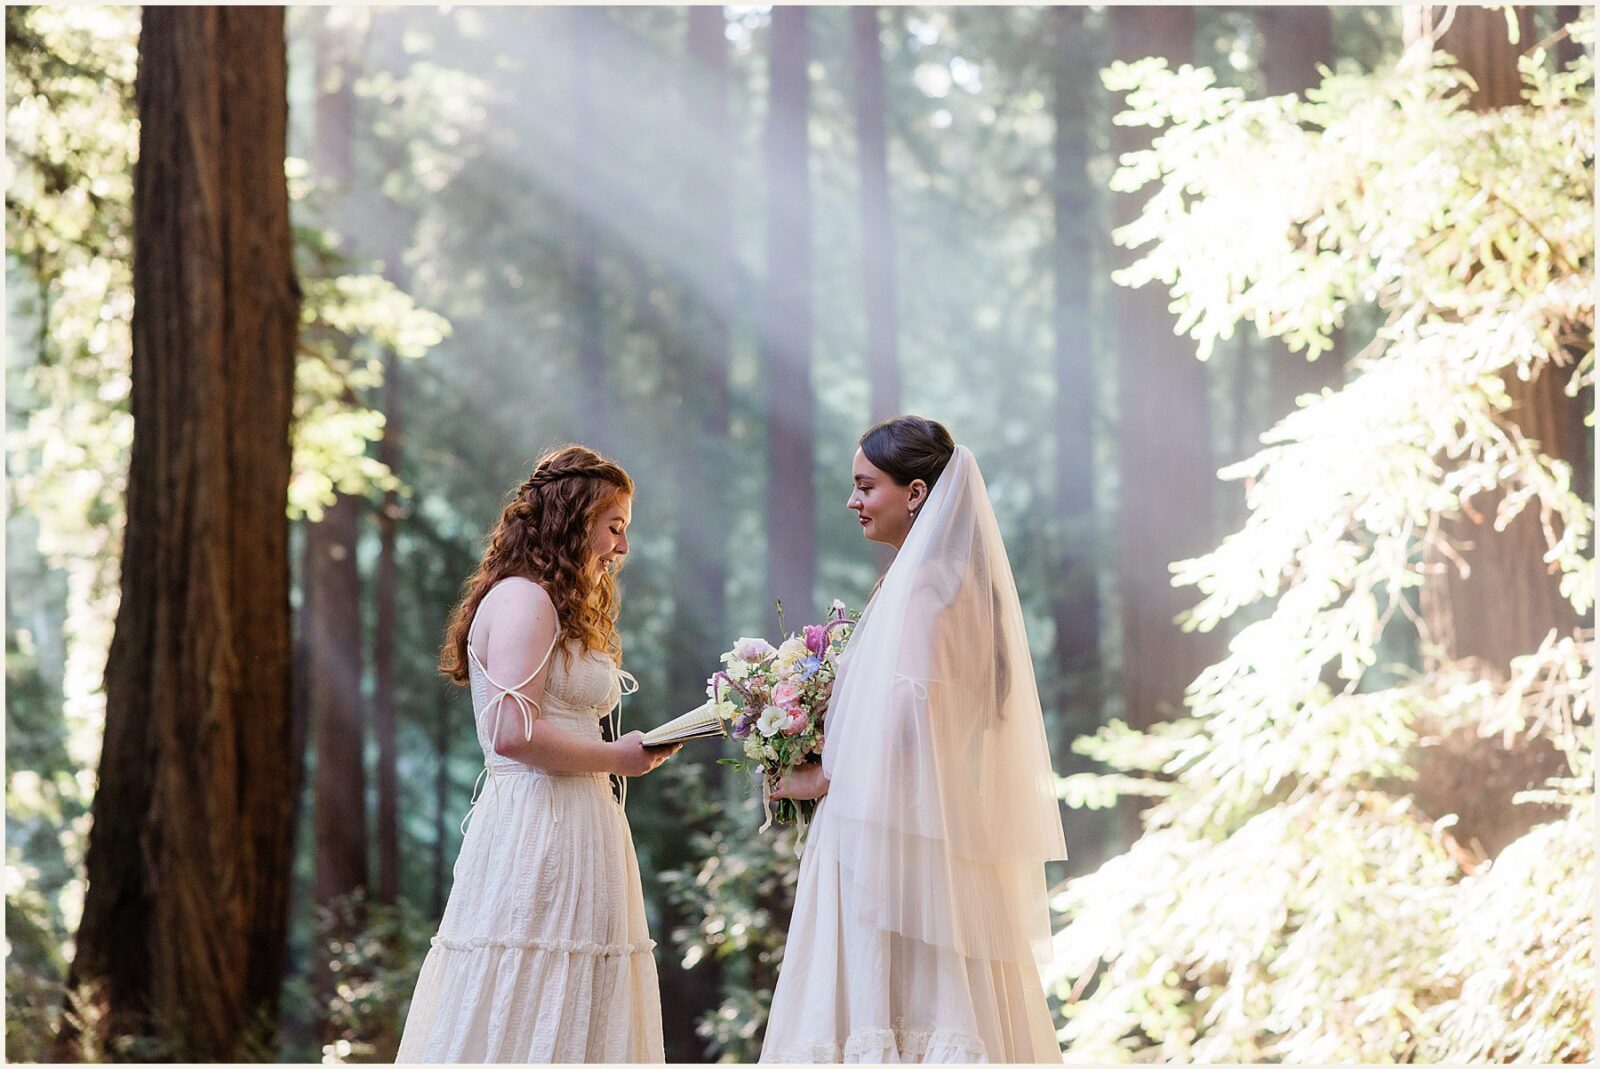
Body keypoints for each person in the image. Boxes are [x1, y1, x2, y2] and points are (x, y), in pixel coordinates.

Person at [760, 416, 1068, 1063]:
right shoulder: (966, 587)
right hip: (945, 816)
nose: (853, 501)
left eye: (866, 485)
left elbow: (906, 710)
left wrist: (822, 774)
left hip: (888, 821)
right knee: (949, 995)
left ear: (917, 492)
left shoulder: (923, 585)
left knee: (889, 1001)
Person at [396, 445, 680, 1063]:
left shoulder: (553, 601)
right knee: (531, 983)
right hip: (541, 826)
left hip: (580, 821)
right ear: (574, 517)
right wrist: (618, 756)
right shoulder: (526, 600)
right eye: (614, 527)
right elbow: (511, 734)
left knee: (579, 995)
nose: (620, 547)